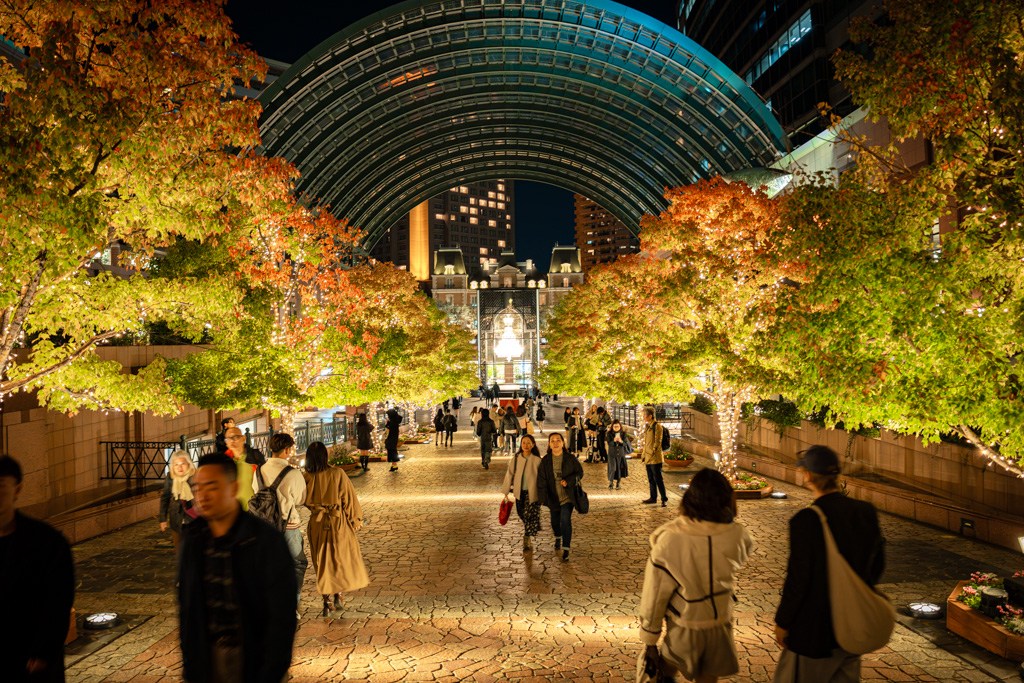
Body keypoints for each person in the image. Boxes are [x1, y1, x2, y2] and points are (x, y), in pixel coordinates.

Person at [179, 453, 296, 683]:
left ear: (233, 488)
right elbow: (187, 609)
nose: (202, 496)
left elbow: (281, 616)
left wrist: (271, 670)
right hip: (207, 658)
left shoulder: (264, 540)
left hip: (251, 658)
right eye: (197, 488)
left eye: (211, 487)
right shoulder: (193, 540)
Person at [773, 445, 886, 683]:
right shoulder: (865, 511)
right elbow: (877, 565)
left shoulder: (806, 520)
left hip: (814, 632)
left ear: (808, 476)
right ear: (836, 474)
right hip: (852, 626)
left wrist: (783, 621)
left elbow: (798, 579)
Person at [639, 468, 755, 683]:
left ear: (690, 498)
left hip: (685, 624)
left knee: (665, 670)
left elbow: (654, 595)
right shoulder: (738, 535)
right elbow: (744, 551)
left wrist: (650, 635)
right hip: (719, 622)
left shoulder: (670, 539)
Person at [0, 455, 74, 683]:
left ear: (17, 489)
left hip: (30, 658)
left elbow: (58, 600)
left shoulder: (47, 542)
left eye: (0, 486)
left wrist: (44, 649)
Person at [303, 441, 369, 617]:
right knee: (339, 559)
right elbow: (349, 497)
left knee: (321, 561)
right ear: (325, 456)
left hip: (317, 523)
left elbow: (301, 499)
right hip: (338, 522)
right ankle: (339, 594)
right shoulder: (337, 473)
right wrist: (355, 519)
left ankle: (327, 602)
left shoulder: (305, 477)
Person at [252, 433, 307, 609]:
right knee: (297, 564)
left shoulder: (259, 471)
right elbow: (300, 500)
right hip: (288, 526)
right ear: (288, 450)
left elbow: (255, 492)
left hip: (263, 528)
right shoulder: (293, 473)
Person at [536, 433, 584, 562]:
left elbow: (579, 472)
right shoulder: (545, 460)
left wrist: (568, 480)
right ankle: (558, 536)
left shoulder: (570, 458)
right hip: (553, 497)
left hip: (568, 496)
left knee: (565, 520)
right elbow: (541, 480)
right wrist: (541, 497)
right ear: (549, 444)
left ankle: (566, 549)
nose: (555, 443)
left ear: (563, 443)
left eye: (558, 440)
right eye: (552, 441)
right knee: (554, 522)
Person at [501, 434, 543, 551]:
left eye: (529, 442)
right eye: (524, 442)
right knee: (522, 513)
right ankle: (531, 526)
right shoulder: (516, 458)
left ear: (533, 445)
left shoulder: (537, 460)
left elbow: (542, 478)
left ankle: (527, 537)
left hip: (533, 492)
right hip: (519, 492)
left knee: (529, 514)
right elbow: (509, 474)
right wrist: (506, 491)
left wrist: (543, 493)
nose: (526, 445)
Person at [159, 450, 197, 554]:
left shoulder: (194, 477)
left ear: (188, 464)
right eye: (176, 464)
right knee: (180, 551)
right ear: (173, 467)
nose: (179, 468)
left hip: (194, 519)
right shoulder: (170, 478)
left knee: (194, 550)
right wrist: (163, 519)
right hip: (176, 519)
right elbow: (165, 498)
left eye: (183, 464)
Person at [223, 426, 265, 511]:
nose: (231, 441)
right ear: (226, 442)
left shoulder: (254, 457)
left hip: (254, 509)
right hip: (232, 510)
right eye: (228, 438)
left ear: (243, 438)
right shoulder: (224, 461)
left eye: (235, 437)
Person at [639, 407, 668, 507]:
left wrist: (652, 452)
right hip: (648, 458)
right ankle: (653, 497)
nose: (643, 417)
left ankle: (664, 498)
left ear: (650, 416)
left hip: (655, 458)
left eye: (644, 415)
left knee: (658, 479)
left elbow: (657, 442)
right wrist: (644, 455)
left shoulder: (657, 426)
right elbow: (647, 443)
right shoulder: (648, 426)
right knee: (651, 479)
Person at [605, 420, 630, 489]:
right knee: (612, 468)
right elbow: (609, 443)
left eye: (617, 426)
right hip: (612, 454)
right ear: (612, 427)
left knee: (619, 468)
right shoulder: (609, 434)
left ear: (620, 426)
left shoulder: (623, 434)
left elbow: (625, 444)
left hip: (620, 454)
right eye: (614, 426)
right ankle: (611, 482)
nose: (616, 428)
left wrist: (621, 441)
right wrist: (614, 441)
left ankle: (618, 483)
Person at [385, 407, 402, 472]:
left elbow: (391, 428)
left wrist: (387, 424)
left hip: (392, 437)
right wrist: (388, 423)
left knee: (392, 450)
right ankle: (394, 465)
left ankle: (394, 465)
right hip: (393, 437)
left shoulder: (393, 422)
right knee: (391, 450)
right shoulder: (394, 421)